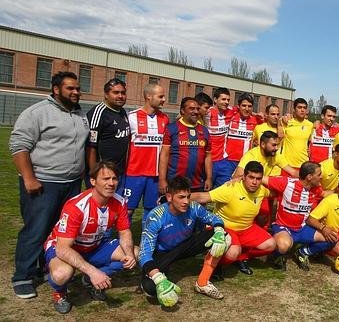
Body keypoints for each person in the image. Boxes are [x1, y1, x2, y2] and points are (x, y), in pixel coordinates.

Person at [10, 71, 89, 299]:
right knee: (36, 229)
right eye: (70, 88)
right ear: (56, 89)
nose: (76, 92)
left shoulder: (79, 114)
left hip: (71, 183)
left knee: (59, 231)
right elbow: (18, 146)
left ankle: (47, 267)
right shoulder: (37, 113)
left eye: (77, 88)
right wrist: (29, 178)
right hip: (44, 182)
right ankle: (23, 276)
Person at [44, 162, 137, 313]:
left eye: (114, 179)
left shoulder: (120, 202)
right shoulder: (76, 206)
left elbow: (125, 232)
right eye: (105, 179)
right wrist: (93, 271)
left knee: (134, 254)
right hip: (63, 247)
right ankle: (60, 292)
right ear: (93, 181)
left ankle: (89, 280)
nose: (111, 183)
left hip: (94, 245)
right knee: (62, 274)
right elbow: (62, 248)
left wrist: (129, 254)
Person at [140, 176, 229, 306]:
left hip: (185, 246)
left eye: (188, 196)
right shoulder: (156, 216)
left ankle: (203, 281)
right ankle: (155, 278)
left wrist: (219, 231)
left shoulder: (194, 207)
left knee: (225, 236)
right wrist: (158, 278)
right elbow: (144, 253)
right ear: (169, 197)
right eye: (181, 197)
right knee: (152, 289)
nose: (186, 201)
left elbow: (215, 219)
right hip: (163, 253)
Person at [192, 161, 276, 277]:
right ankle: (215, 263)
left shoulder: (261, 190)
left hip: (246, 229)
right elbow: (203, 197)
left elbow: (276, 191)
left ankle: (241, 257)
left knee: (271, 244)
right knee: (232, 253)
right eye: (251, 177)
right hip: (225, 228)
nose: (254, 182)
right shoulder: (230, 188)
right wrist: (176, 197)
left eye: (258, 178)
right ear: (244, 177)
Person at [265, 162, 329, 271]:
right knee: (283, 245)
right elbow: (261, 179)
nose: (322, 177)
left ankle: (302, 253)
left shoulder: (316, 189)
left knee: (331, 238)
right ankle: (277, 256)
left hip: (303, 228)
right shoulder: (286, 183)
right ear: (309, 177)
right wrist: (240, 178)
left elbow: (324, 194)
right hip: (283, 226)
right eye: (319, 174)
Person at [122, 83, 169, 222]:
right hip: (134, 173)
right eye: (160, 96)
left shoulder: (164, 119)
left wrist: (162, 177)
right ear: (148, 96)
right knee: (128, 210)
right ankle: (123, 242)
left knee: (152, 211)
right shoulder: (131, 117)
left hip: (155, 176)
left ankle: (147, 242)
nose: (164, 99)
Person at [159, 97, 212, 192]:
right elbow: (164, 155)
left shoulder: (204, 131)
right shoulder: (172, 128)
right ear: (183, 111)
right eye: (191, 108)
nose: (196, 111)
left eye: (198, 109)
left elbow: (208, 156)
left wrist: (209, 178)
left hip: (197, 183)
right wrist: (162, 179)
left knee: (196, 207)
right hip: (174, 183)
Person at [86, 78, 130, 184]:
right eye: (116, 92)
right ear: (106, 94)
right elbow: (90, 146)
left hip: (119, 172)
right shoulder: (99, 112)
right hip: (103, 173)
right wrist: (94, 173)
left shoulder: (122, 112)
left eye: (123, 93)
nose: (120, 96)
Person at [218, 93, 264, 184]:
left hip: (245, 162)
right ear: (238, 106)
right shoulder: (231, 116)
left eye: (249, 106)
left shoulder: (256, 120)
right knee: (224, 186)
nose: (247, 108)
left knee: (239, 188)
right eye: (244, 105)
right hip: (229, 161)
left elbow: (270, 120)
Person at [205, 87, 236, 187]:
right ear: (215, 100)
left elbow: (245, 110)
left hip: (223, 160)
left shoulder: (230, 111)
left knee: (224, 191)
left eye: (228, 100)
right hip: (207, 160)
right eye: (223, 99)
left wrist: (259, 115)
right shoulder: (207, 112)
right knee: (204, 192)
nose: (226, 102)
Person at [279, 98, 314, 171]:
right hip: (287, 165)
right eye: (299, 107)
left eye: (304, 108)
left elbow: (310, 142)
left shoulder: (310, 125)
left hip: (304, 165)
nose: (302, 110)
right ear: (294, 110)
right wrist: (282, 118)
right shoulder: (287, 122)